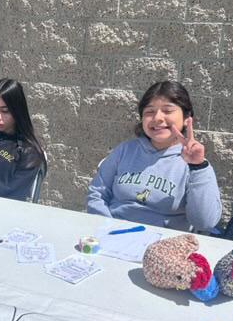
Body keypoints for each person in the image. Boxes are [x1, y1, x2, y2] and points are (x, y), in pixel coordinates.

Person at [87, 81, 221, 232]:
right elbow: (97, 194)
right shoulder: (125, 150)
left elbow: (205, 223)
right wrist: (108, 228)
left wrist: (197, 167)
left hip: (164, 242)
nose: (157, 118)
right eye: (150, 112)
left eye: (167, 110)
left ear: (186, 118)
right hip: (113, 233)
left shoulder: (196, 165)